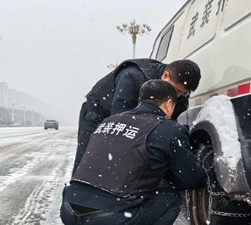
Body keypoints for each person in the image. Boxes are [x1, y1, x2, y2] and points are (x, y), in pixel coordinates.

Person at [60, 80, 207, 225]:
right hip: (108, 222)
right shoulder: (168, 129)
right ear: (169, 104)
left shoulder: (108, 122)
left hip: (69, 212)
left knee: (96, 189)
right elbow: (190, 179)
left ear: (140, 101)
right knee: (170, 198)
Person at [73, 59, 201, 175]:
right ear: (165, 76)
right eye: (176, 90)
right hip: (98, 113)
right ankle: (77, 193)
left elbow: (170, 128)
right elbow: (120, 120)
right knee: (88, 165)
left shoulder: (180, 95)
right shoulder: (134, 77)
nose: (178, 96)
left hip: (128, 116)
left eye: (183, 93)